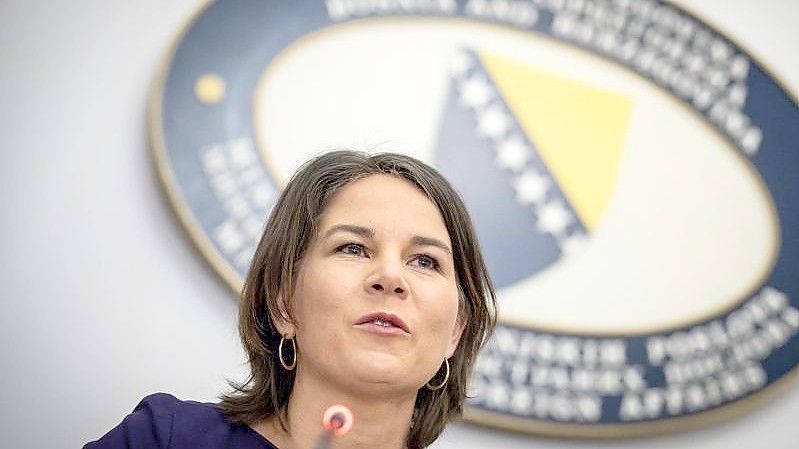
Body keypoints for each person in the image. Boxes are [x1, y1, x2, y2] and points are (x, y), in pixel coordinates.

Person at [84, 150, 497, 449]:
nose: (391, 277)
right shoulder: (168, 438)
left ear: (455, 333)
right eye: (352, 248)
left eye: (425, 261)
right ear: (284, 302)